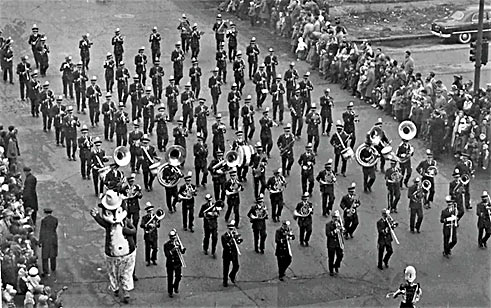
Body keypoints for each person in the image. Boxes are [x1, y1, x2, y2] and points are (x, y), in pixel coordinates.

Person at [163, 229, 186, 298]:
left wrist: (182, 249)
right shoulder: (166, 245)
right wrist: (173, 249)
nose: (173, 239)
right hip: (170, 263)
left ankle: (175, 286)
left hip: (177, 262)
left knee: (178, 276)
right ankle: (170, 291)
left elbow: (182, 252)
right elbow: (167, 255)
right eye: (172, 238)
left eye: (174, 237)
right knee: (170, 278)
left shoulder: (177, 243)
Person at [221, 220, 242, 287]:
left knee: (236, 266)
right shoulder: (224, 236)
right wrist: (231, 240)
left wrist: (238, 239)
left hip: (233, 253)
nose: (231, 230)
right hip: (227, 254)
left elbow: (238, 242)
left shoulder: (235, 235)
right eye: (230, 229)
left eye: (232, 229)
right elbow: (225, 246)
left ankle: (232, 275)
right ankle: (225, 281)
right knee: (226, 268)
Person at [39, 208, 58, 277]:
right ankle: (53, 267)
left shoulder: (44, 221)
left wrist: (40, 241)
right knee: (53, 254)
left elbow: (42, 231)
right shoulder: (55, 219)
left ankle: (46, 270)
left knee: (45, 255)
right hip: (53, 238)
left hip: (46, 238)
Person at [325, 210, 344, 276]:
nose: (336, 219)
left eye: (337, 217)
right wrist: (335, 231)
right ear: (332, 218)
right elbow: (328, 234)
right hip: (331, 244)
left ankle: (336, 265)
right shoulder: (328, 225)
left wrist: (342, 229)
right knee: (331, 258)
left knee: (340, 255)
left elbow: (343, 231)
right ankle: (331, 270)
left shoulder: (340, 223)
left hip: (338, 243)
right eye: (335, 218)